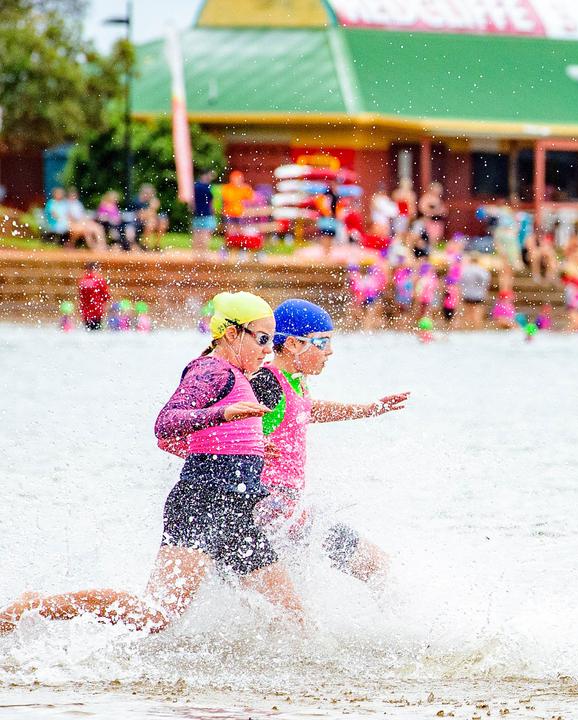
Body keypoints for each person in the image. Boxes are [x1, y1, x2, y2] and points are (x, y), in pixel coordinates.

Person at [1, 292, 304, 635]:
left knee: (295, 620)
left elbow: (176, 443)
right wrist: (224, 414)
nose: (268, 349)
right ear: (232, 334)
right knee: (155, 616)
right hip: (201, 503)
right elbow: (165, 423)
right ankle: (35, 605)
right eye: (262, 339)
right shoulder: (210, 370)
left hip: (235, 510)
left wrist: (244, 447)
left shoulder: (236, 374)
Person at [249, 300, 408, 586]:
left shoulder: (295, 380)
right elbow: (224, 427)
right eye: (322, 342)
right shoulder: (265, 383)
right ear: (294, 345)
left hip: (288, 508)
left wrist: (369, 409)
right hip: (271, 507)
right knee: (376, 566)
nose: (330, 351)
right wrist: (254, 442)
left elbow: (307, 410)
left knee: (290, 593)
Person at [459, 254, 491, 329]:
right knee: (477, 312)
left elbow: (460, 281)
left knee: (467, 312)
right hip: (478, 294)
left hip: (467, 293)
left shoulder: (465, 270)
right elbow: (486, 281)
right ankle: (476, 327)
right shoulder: (482, 270)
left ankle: (468, 328)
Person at [77, 262, 111, 330]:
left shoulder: (82, 281)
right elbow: (106, 296)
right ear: (95, 269)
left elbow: (80, 297)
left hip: (86, 313)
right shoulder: (99, 280)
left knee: (88, 332)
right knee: (96, 334)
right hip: (97, 311)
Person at [192, 169, 217, 255]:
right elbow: (212, 202)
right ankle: (204, 253)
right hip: (207, 214)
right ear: (205, 175)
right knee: (205, 235)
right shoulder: (208, 188)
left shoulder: (195, 186)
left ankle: (196, 254)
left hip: (197, 214)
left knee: (197, 235)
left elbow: (191, 202)